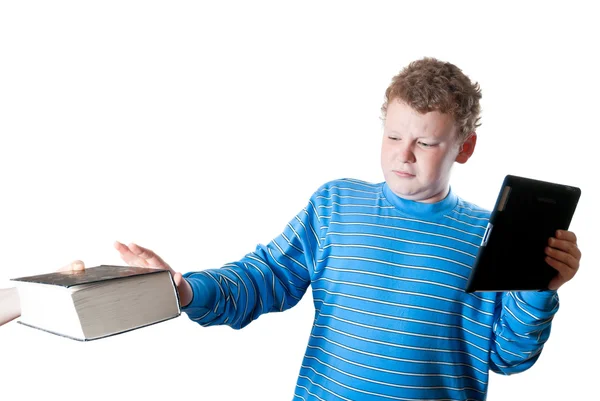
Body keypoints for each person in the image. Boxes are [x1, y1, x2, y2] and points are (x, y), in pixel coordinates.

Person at [1, 58, 582, 400]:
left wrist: (540, 288)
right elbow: (263, 278)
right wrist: (180, 288)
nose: (404, 155)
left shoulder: (491, 238)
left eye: (427, 142)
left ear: (465, 147)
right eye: (392, 136)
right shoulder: (335, 205)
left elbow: (507, 358)